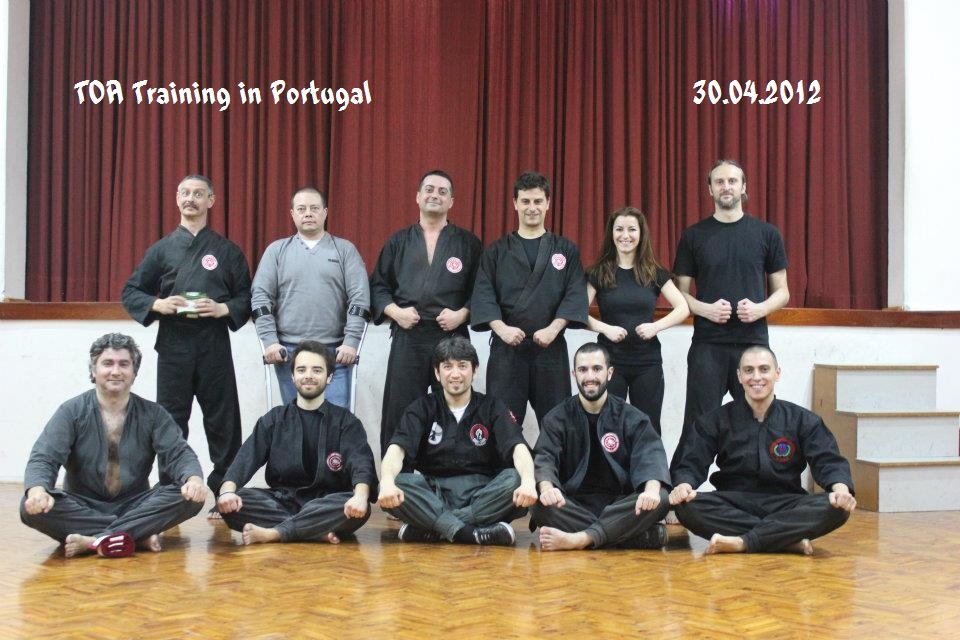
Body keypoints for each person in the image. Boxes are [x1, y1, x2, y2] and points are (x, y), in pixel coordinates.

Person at [121, 174, 251, 502]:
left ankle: (226, 489)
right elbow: (131, 291)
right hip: (174, 344)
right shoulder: (161, 250)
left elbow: (247, 297)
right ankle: (170, 490)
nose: (191, 198)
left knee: (223, 419)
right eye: (185, 193)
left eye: (198, 193)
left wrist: (223, 309)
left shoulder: (227, 251)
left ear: (211, 201)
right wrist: (158, 304)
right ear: (177, 198)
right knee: (170, 418)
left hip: (213, 344)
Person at [20, 334, 206, 558]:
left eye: (124, 364)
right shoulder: (71, 411)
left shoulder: (153, 414)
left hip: (136, 505)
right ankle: (134, 536)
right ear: (93, 370)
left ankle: (96, 540)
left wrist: (193, 480)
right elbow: (44, 457)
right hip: (83, 506)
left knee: (189, 498)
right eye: (108, 363)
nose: (116, 371)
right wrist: (38, 491)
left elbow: (179, 454)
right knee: (29, 507)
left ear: (134, 372)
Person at [669, 345, 856, 555]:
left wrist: (841, 490)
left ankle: (743, 542)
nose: (756, 377)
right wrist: (683, 485)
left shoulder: (802, 420)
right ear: (739, 376)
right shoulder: (716, 420)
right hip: (734, 502)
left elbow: (828, 460)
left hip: (787, 502)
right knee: (686, 506)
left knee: (837, 508)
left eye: (764, 369)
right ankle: (785, 539)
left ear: (777, 373)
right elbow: (691, 462)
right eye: (749, 370)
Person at [671, 159, 789, 465]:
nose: (727, 187)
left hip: (753, 344)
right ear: (710, 189)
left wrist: (761, 308)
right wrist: (705, 310)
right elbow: (680, 294)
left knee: (758, 417)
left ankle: (761, 482)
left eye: (733, 181)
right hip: (708, 344)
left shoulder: (767, 234)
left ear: (743, 187)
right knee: (698, 421)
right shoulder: (694, 236)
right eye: (720, 182)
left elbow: (783, 292)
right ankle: (681, 485)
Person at [377, 336, 537, 546]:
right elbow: (396, 450)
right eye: (447, 366)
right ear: (437, 373)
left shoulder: (492, 407)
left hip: (483, 494)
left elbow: (518, 447)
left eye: (462, 366)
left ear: (474, 370)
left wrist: (528, 482)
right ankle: (470, 533)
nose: (455, 374)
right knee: (396, 483)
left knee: (516, 479)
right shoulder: (421, 408)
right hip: (433, 494)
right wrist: (387, 483)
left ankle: (434, 528)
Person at [217, 341, 377, 545]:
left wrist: (360, 497)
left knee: (357, 507)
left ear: (329, 377)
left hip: (326, 503)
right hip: (282, 501)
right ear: (292, 377)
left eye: (317, 370)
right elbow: (245, 459)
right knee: (235, 503)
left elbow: (361, 463)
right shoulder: (274, 419)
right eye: (301, 370)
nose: (308, 375)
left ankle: (278, 532)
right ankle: (312, 530)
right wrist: (227, 492)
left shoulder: (346, 422)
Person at [369, 170, 482, 454]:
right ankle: (396, 474)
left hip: (452, 336)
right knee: (400, 408)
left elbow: (483, 290)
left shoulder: (468, 243)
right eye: (429, 189)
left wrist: (463, 314)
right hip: (409, 335)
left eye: (443, 191)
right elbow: (378, 287)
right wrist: (396, 312)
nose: (435, 195)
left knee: (455, 406)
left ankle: (456, 471)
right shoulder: (398, 242)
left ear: (452, 201)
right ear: (418, 197)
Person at [470, 171, 588, 429]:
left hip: (550, 349)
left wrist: (553, 329)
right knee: (503, 423)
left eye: (537, 201)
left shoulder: (565, 250)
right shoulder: (496, 251)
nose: (531, 208)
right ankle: (508, 459)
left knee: (558, 423)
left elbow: (574, 293)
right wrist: (501, 329)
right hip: (507, 349)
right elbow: (483, 294)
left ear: (548, 203)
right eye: (525, 201)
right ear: (515, 203)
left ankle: (555, 460)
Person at [531, 343, 671, 551]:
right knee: (539, 502)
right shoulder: (557, 417)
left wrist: (650, 491)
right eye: (583, 370)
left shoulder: (631, 417)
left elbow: (650, 455)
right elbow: (545, 457)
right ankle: (627, 536)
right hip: (574, 504)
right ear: (574, 374)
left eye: (597, 369)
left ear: (610, 372)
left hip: (620, 504)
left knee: (661, 498)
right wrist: (547, 488)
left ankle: (582, 538)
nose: (590, 376)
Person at [251, 186, 370, 408]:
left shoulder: (345, 250)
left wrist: (351, 342)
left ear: (325, 212)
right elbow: (260, 298)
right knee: (295, 419)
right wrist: (270, 342)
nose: (308, 213)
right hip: (288, 353)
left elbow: (359, 299)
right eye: (301, 209)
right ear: (292, 214)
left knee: (335, 420)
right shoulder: (276, 251)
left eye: (314, 208)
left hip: (335, 353)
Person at [586, 206, 689, 435]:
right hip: (610, 362)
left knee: (648, 427)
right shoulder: (598, 272)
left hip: (647, 363)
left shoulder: (654, 272)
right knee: (608, 426)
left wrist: (656, 327)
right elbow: (578, 313)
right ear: (611, 234)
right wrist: (606, 329)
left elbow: (683, 308)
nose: (625, 235)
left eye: (632, 229)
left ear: (641, 234)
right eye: (619, 229)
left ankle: (648, 462)